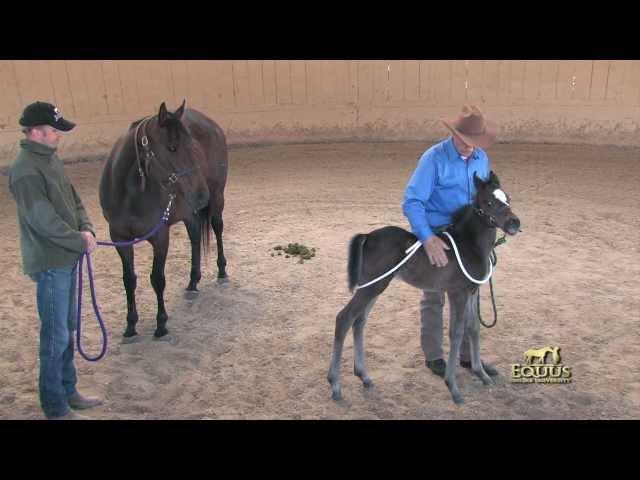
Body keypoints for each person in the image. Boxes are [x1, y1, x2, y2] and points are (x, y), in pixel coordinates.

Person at [9, 101, 103, 419]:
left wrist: (86, 226)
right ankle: (54, 406)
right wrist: (79, 238)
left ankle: (68, 389)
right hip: (50, 262)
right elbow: (42, 220)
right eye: (53, 131)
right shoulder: (25, 171)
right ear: (35, 132)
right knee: (55, 335)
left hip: (66, 256)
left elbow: (72, 198)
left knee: (66, 328)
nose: (58, 137)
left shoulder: (49, 160)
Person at [402, 104, 500, 378]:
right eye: (466, 141)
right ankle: (434, 356)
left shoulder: (481, 159)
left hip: (469, 237)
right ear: (454, 134)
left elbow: (484, 198)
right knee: (433, 296)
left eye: (476, 143)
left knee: (469, 295)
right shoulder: (433, 159)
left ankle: (468, 357)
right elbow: (412, 201)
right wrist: (427, 238)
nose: (471, 147)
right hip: (439, 233)